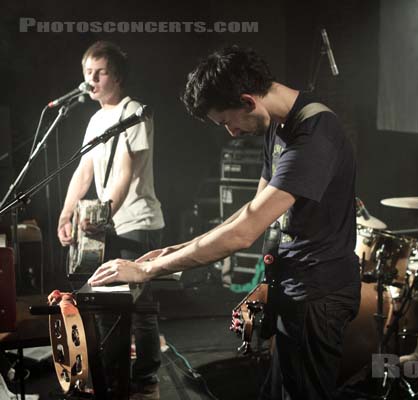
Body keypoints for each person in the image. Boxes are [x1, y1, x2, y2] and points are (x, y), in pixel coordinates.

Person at [88, 46, 361, 400]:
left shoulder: (313, 136)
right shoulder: (279, 125)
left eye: (226, 121)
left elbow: (245, 233)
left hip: (319, 296)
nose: (231, 133)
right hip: (297, 289)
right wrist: (175, 249)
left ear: (248, 101)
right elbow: (252, 211)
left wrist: (149, 271)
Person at [57, 40, 164, 399]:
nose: (91, 80)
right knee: (108, 304)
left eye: (98, 73)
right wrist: (66, 212)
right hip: (110, 225)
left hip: (137, 221)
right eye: (86, 73)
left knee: (140, 308)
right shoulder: (95, 119)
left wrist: (103, 216)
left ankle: (146, 377)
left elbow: (124, 172)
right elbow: (83, 171)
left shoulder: (135, 112)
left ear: (116, 75)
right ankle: (114, 378)